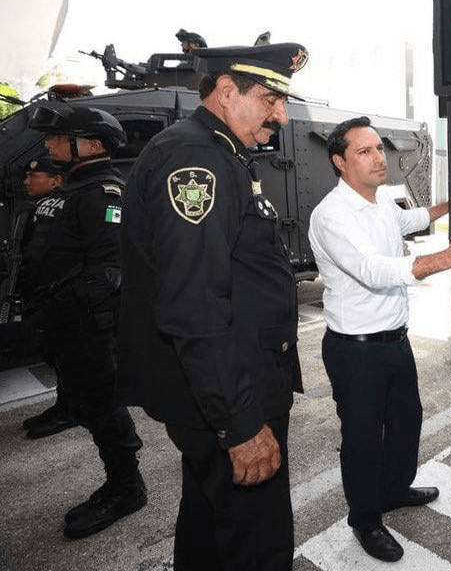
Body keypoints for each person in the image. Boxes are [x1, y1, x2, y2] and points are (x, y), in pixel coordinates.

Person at [117, 42, 307, 571]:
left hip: (222, 385)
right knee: (256, 541)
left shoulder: (219, 151)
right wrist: (239, 423)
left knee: (209, 522)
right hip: (230, 392)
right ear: (226, 91)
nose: (282, 117)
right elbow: (194, 304)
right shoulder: (197, 158)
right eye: (270, 100)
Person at [308, 116, 451, 563]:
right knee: (363, 437)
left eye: (378, 149)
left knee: (406, 420)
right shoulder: (331, 215)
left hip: (394, 341)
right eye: (364, 151)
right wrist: (446, 258)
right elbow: (372, 271)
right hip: (355, 349)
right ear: (340, 162)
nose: (378, 158)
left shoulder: (381, 201)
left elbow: (412, 219)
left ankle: (394, 489)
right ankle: (365, 520)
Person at [22, 105, 146, 539]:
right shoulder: (73, 188)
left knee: (103, 405)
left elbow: (108, 271)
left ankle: (126, 488)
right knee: (86, 401)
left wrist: (58, 309)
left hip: (88, 324)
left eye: (60, 138)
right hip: (65, 322)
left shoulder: (103, 194)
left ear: (92, 145)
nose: (51, 144)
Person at [18, 156, 79, 439]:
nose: (27, 182)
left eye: (34, 176)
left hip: (59, 296)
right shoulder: (43, 205)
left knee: (67, 357)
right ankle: (64, 406)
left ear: (56, 181)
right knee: (56, 355)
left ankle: (70, 410)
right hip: (47, 294)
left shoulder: (59, 206)